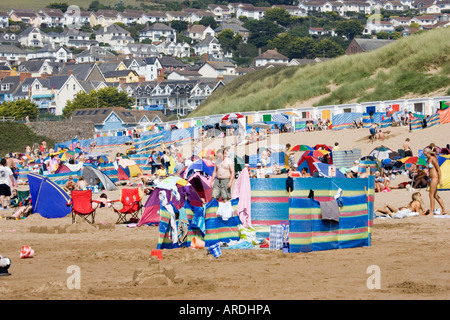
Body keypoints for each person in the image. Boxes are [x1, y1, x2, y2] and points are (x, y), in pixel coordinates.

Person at [423, 148, 447, 215]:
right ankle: (444, 209)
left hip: (435, 178)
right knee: (435, 195)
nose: (425, 156)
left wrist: (440, 180)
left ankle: (431, 212)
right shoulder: (428, 159)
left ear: (428, 153)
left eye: (426, 155)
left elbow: (438, 170)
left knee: (431, 195)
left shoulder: (433, 159)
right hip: (430, 178)